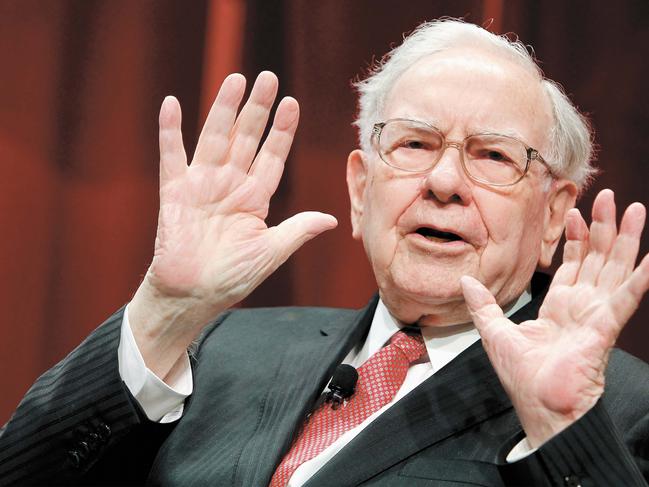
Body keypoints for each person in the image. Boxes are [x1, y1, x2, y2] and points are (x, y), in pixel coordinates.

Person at [2, 18, 649, 487]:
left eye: (492, 155)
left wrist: (563, 427)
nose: (444, 182)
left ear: (552, 218)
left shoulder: (612, 405)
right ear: (360, 189)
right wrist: (162, 313)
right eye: (415, 144)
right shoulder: (225, 349)